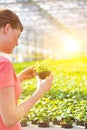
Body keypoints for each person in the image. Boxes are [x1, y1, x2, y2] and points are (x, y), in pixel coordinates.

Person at [0, 8, 53, 130]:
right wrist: (40, 91)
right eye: (17, 36)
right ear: (7, 28)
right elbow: (10, 119)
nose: (17, 43)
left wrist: (20, 78)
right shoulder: (4, 64)